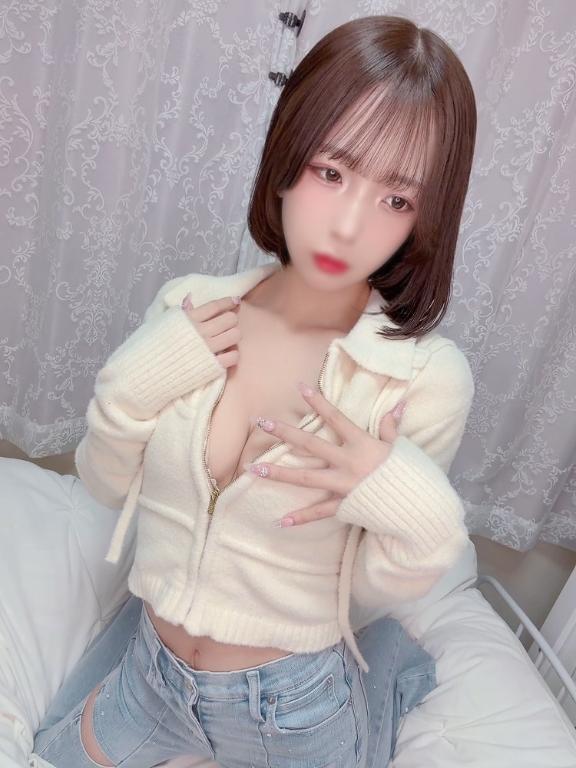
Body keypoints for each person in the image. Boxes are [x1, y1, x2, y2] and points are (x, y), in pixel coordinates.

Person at [33, 14, 476, 768]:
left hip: (292, 706)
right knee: (48, 753)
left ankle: (381, 679)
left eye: (396, 200)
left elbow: (374, 587)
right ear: (287, 155)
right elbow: (104, 484)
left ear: (425, 219)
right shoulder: (189, 310)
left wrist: (401, 496)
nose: (348, 226)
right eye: (331, 173)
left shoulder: (421, 377)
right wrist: (132, 385)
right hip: (154, 677)